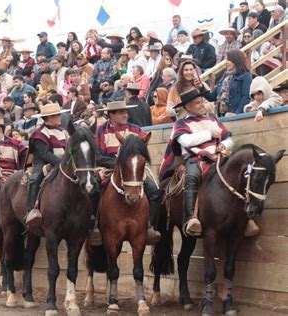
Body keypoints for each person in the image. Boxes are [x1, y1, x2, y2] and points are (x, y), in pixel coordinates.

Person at [161, 89, 259, 237]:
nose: (202, 105)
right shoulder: (180, 124)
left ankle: (246, 218)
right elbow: (186, 141)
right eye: (197, 103)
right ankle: (190, 218)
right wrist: (209, 134)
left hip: (218, 157)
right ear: (187, 107)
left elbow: (228, 138)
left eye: (202, 101)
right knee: (192, 177)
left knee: (240, 174)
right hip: (194, 159)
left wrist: (224, 145)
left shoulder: (212, 120)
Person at [95, 100, 161, 244]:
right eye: (120, 112)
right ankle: (94, 226)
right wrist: (119, 163)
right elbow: (99, 156)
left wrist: (130, 164)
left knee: (155, 190)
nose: (125, 114)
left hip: (133, 170)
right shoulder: (101, 130)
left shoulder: (136, 130)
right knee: (93, 187)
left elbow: (143, 149)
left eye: (125, 111)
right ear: (110, 115)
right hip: (109, 168)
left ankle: (149, 225)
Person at [24, 103, 70, 227]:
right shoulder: (39, 133)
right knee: (35, 179)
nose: (60, 117)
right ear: (49, 118)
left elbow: (69, 151)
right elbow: (45, 154)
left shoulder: (64, 132)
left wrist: (68, 163)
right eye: (57, 115)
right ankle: (31, 211)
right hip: (43, 163)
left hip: (63, 163)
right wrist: (61, 164)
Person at [202, 50, 252, 116]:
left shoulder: (246, 76)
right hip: (221, 116)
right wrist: (200, 87)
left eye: (229, 60)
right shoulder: (225, 77)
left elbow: (246, 97)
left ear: (236, 60)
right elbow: (211, 97)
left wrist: (236, 114)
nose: (226, 62)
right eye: (226, 60)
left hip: (235, 116)